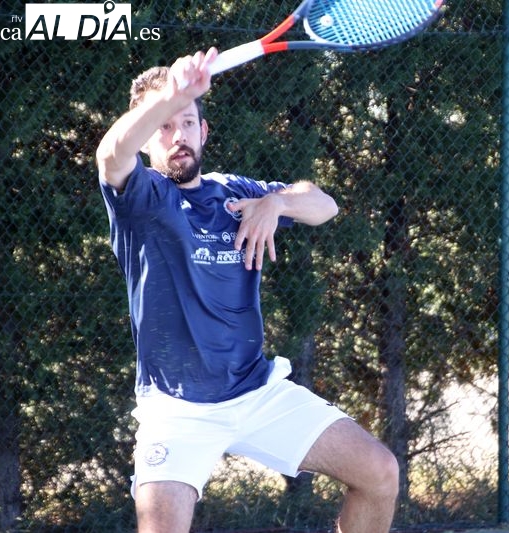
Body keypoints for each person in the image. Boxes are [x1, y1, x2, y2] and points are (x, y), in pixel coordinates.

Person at [95, 49, 399, 533]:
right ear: (148, 139)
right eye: (164, 126)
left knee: (380, 474)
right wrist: (174, 95)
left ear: (204, 131)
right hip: (178, 408)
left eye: (188, 123)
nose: (179, 137)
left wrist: (275, 203)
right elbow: (111, 152)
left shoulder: (232, 191)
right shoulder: (142, 198)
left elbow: (325, 206)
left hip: (255, 392)